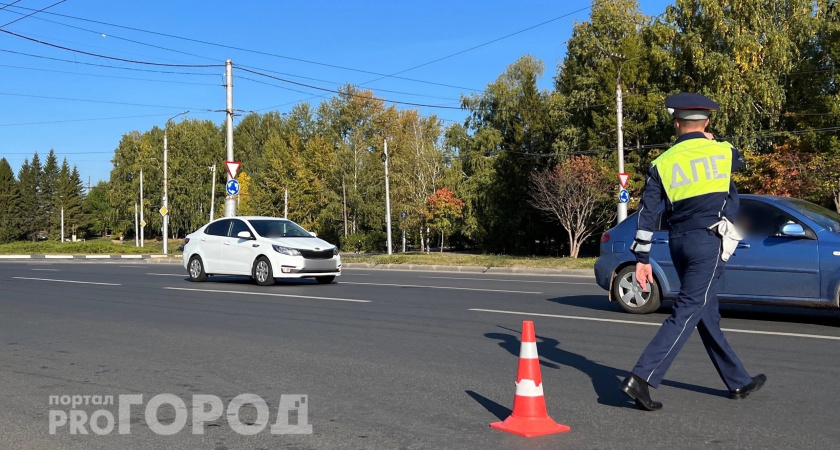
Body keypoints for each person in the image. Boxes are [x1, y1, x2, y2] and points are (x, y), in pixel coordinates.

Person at [619, 92, 766, 411]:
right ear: (707, 121)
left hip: (677, 242)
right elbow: (736, 163)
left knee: (705, 311)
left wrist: (642, 259)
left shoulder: (661, 163)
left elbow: (646, 214)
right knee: (688, 309)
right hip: (707, 241)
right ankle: (641, 378)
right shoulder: (724, 152)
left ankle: (737, 380)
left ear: (676, 123)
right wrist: (710, 142)